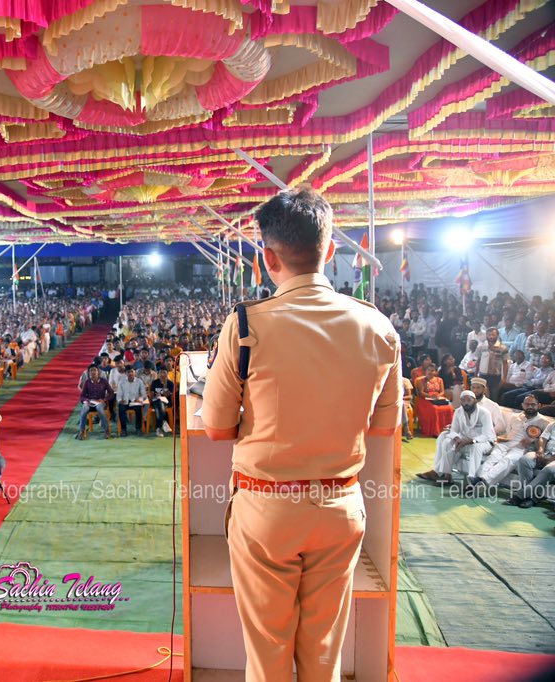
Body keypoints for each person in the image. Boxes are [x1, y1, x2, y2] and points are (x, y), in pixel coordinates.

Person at [201, 187, 401, 682]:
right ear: (331, 251)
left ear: (265, 258)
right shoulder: (378, 327)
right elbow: (385, 426)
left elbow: (218, 428)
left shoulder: (247, 324)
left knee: (267, 660)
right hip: (340, 507)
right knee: (324, 657)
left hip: (267, 508)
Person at [470, 395, 550, 492]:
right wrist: (501, 439)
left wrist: (533, 441)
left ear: (539, 405)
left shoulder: (544, 422)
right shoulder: (515, 417)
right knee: (493, 457)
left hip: (523, 448)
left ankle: (483, 481)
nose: (530, 407)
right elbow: (508, 433)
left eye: (533, 404)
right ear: (522, 405)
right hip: (507, 443)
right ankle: (478, 478)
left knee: (508, 460)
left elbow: (545, 441)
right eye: (527, 404)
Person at [416, 391, 495, 486]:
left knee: (476, 447)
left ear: (475, 401)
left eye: (469, 400)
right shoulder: (458, 411)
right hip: (464, 440)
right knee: (446, 441)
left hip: (483, 442)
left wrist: (470, 441)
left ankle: (472, 478)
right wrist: (457, 439)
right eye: (463, 400)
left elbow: (486, 435)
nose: (466, 403)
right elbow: (454, 430)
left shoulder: (484, 413)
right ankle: (446, 475)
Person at [508, 420, 555, 509]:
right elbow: (543, 438)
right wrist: (540, 450)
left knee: (549, 469)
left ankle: (520, 496)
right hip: (546, 453)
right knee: (525, 460)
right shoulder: (552, 424)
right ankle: (531, 497)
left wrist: (551, 459)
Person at [77, 365, 115, 440]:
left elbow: (111, 394)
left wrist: (104, 399)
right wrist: (86, 401)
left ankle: (106, 430)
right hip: (90, 402)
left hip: (100, 402)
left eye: (95, 370)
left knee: (100, 409)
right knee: (84, 409)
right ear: (89, 373)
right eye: (91, 371)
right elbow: (82, 396)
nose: (93, 372)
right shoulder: (87, 382)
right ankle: (81, 431)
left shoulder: (104, 381)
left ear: (98, 372)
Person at [115, 366, 148, 436]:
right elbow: (119, 394)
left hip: (135, 402)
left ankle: (138, 429)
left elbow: (144, 395)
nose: (130, 373)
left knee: (139, 409)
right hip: (125, 401)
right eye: (128, 372)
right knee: (121, 409)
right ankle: (123, 429)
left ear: (135, 372)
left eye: (132, 371)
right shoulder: (122, 382)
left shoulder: (139, 381)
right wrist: (120, 400)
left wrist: (139, 400)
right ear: (125, 373)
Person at [149, 366, 175, 437]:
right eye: (160, 372)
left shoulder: (170, 383)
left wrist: (161, 391)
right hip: (156, 401)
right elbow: (151, 395)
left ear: (167, 373)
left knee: (160, 406)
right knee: (159, 404)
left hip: (167, 402)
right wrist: (159, 394)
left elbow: (167, 395)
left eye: (164, 372)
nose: (162, 374)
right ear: (158, 373)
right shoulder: (154, 382)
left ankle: (159, 428)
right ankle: (163, 422)